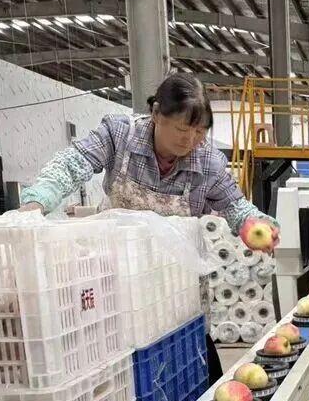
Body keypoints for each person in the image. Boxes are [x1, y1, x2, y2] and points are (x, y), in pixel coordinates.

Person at [20, 72, 278, 381]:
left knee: (192, 367)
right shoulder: (120, 136)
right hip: (121, 281)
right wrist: (36, 203)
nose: (190, 140)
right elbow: (72, 164)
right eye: (182, 129)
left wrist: (254, 224)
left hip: (177, 287)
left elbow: (235, 205)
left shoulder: (207, 162)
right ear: (156, 113)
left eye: (200, 131)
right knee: (128, 366)